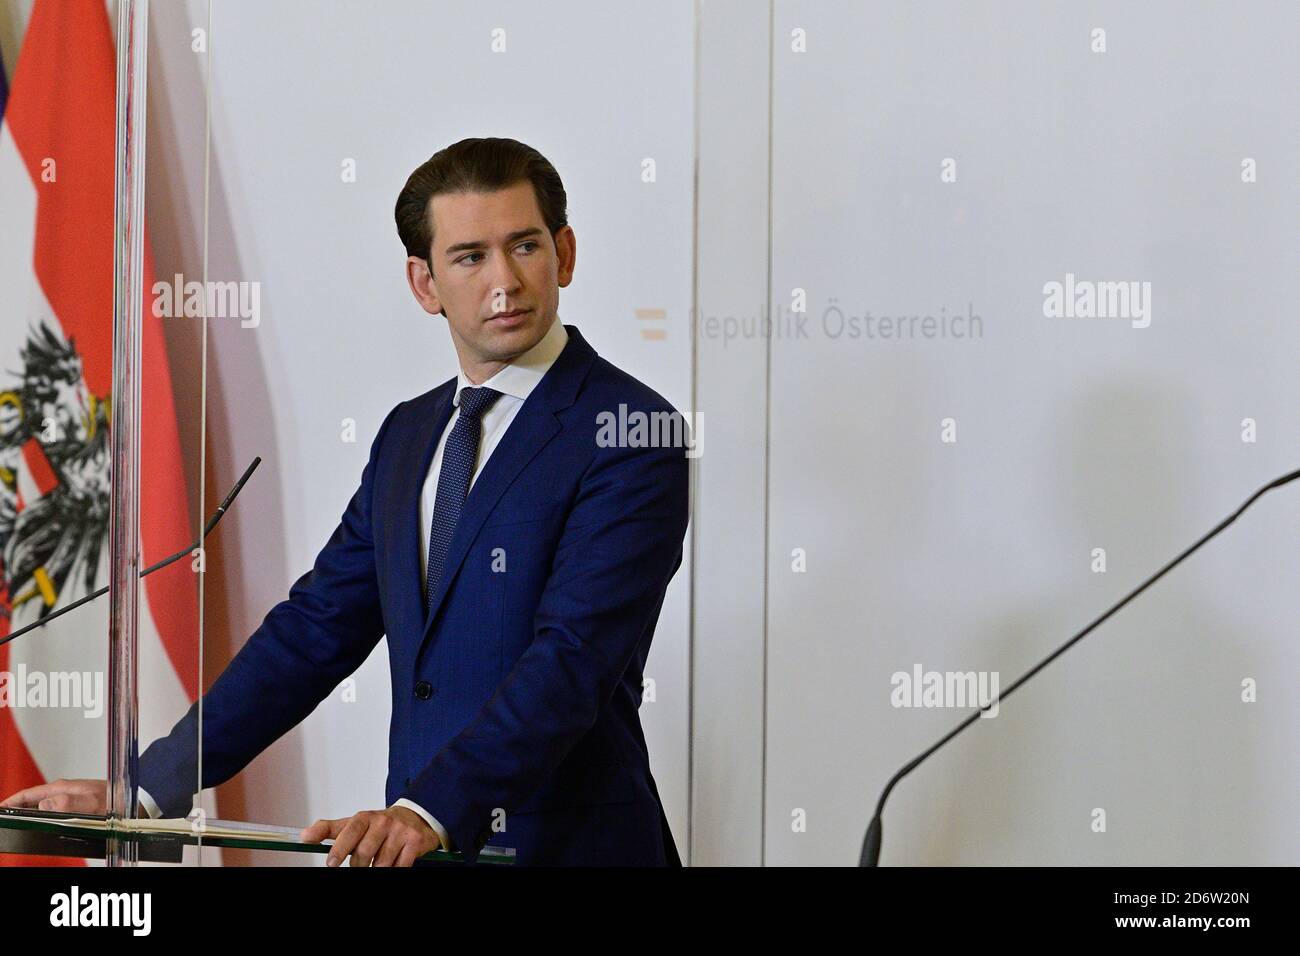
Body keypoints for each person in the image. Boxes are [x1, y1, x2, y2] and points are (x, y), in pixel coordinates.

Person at [2, 137, 691, 867]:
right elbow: (315, 630)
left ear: (566, 253)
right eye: (470, 257)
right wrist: (145, 788)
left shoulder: (629, 432)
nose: (504, 282)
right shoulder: (409, 434)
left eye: (524, 246)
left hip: (571, 851)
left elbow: (572, 661)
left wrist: (429, 809)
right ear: (423, 283)